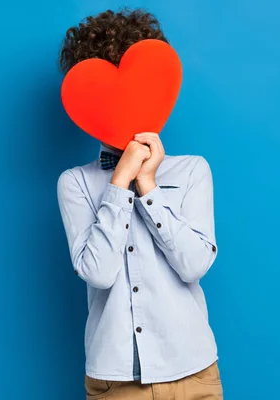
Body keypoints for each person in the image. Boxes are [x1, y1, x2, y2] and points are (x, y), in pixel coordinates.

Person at [56, 8, 223, 400]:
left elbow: (195, 264)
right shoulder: (75, 183)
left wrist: (147, 185)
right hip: (116, 381)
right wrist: (119, 183)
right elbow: (97, 272)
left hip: (194, 373)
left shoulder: (193, 171)